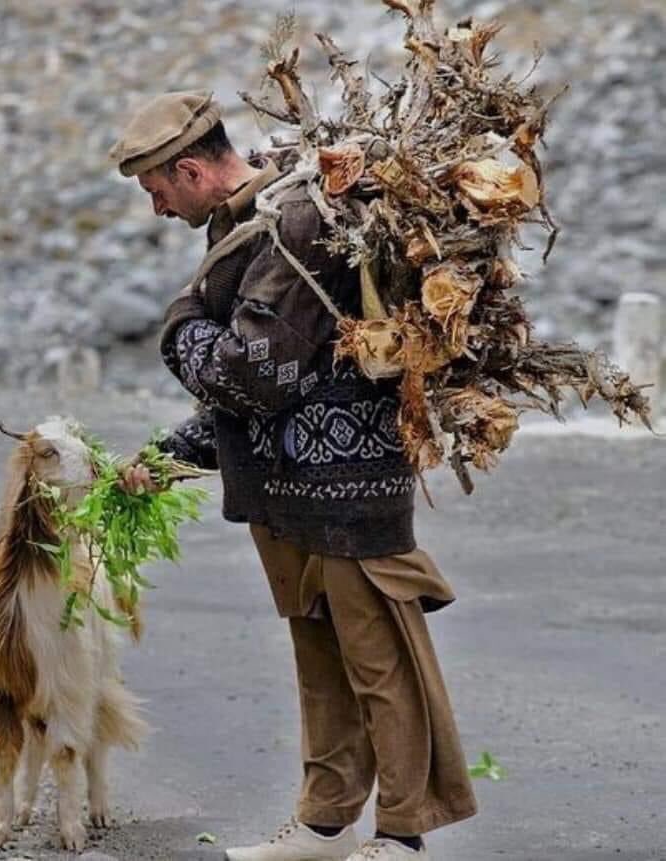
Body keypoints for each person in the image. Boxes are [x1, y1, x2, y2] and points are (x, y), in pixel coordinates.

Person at [111, 89, 477, 861]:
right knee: (322, 659)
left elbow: (254, 374)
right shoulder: (244, 221)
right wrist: (174, 454)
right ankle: (325, 824)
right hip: (289, 486)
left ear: (189, 169)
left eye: (157, 191)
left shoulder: (295, 219)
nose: (156, 209)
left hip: (349, 483)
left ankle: (404, 836)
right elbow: (255, 391)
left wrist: (177, 327)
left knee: (381, 663)